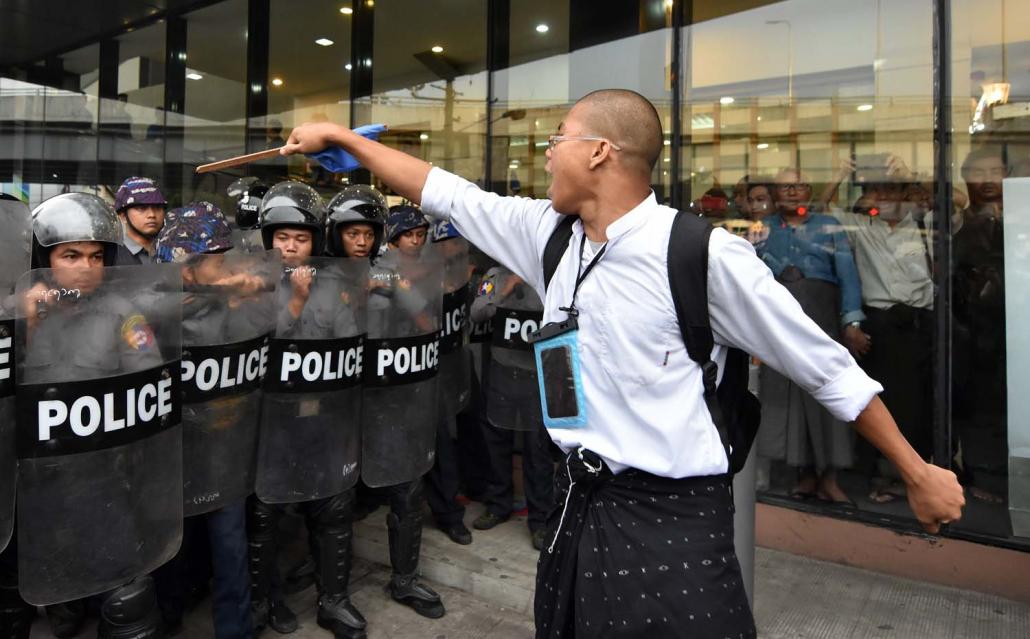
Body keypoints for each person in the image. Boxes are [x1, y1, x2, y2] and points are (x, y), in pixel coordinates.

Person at [278, 88, 965, 638]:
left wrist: (916, 470)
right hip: (581, 502)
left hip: (676, 521)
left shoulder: (701, 256)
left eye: (557, 141)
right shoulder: (548, 236)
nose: (546, 155)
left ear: (601, 151)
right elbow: (446, 190)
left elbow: (826, 367)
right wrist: (343, 138)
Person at [16, 193, 171, 639]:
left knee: (126, 599)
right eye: (70, 256)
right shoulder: (18, 314)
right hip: (38, 486)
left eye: (96, 256)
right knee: (52, 602)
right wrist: (28, 327)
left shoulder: (123, 315)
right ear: (44, 259)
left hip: (105, 482)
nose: (85, 267)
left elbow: (149, 394)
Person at [248, 180, 372, 639]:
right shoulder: (251, 284)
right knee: (266, 515)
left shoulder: (332, 284)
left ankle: (334, 600)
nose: (291, 247)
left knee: (334, 507)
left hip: (323, 414)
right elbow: (257, 344)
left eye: (300, 238)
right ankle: (265, 602)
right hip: (271, 422)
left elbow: (343, 337)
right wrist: (294, 302)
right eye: (282, 238)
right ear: (268, 240)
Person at [154, 203, 267, 639]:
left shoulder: (231, 299)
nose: (225, 270)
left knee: (230, 544)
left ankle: (234, 629)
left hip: (223, 442)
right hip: (172, 449)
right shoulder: (155, 305)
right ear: (187, 267)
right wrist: (217, 296)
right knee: (170, 546)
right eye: (217, 263)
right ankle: (169, 615)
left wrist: (242, 295)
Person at [832, 157, 934, 504]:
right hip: (882, 325)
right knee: (887, 403)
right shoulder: (861, 226)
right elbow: (822, 211)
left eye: (893, 188)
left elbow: (957, 203)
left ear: (907, 193)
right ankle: (887, 475)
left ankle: (922, 473)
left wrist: (912, 171)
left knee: (924, 404)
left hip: (923, 323)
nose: (884, 196)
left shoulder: (924, 221)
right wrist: (840, 174)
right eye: (877, 189)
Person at [469, 265, 555, 550]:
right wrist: (505, 290)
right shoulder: (493, 275)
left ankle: (540, 519)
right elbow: (477, 312)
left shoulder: (550, 272)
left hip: (537, 376)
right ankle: (498, 504)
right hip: (502, 372)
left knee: (537, 451)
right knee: (496, 442)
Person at [953, 146, 1009, 504]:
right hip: (967, 326)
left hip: (1012, 323)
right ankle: (980, 474)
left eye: (996, 171)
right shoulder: (956, 220)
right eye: (980, 172)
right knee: (974, 403)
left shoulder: (1020, 217)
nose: (989, 180)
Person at [424, 219, 475, 546]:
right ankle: (447, 513)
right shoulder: (418, 276)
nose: (455, 249)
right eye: (449, 242)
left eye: (460, 242)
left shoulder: (469, 276)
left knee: (461, 433)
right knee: (439, 440)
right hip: (422, 373)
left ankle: (464, 492)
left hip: (455, 366)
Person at [113, 176, 167, 265]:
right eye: (141, 208)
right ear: (123, 216)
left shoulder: (173, 251)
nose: (152, 215)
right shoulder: (109, 255)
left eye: (158, 207)